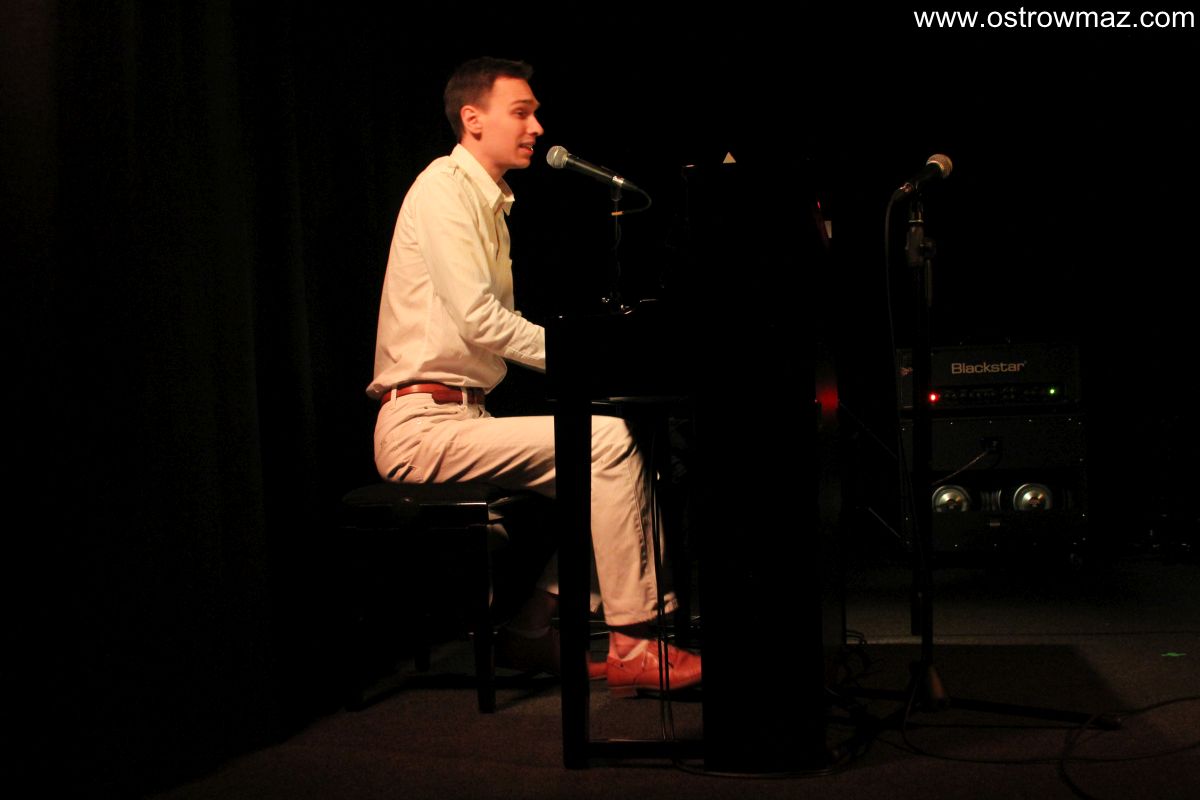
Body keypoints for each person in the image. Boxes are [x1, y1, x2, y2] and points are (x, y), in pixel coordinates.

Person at [367, 57, 700, 696]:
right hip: (419, 429)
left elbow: (493, 324)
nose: (537, 127)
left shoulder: (489, 203)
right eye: (521, 112)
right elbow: (480, 321)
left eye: (535, 113)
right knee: (605, 444)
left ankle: (528, 627)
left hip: (463, 417)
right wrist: (580, 357)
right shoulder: (442, 190)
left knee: (619, 467)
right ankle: (634, 644)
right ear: (473, 120)